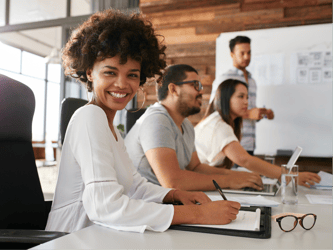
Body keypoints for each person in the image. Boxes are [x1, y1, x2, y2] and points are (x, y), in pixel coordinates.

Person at [45, 10, 240, 234]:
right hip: (73, 238)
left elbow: (134, 185)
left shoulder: (111, 127)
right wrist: (199, 214)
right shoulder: (90, 117)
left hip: (101, 235)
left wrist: (174, 194)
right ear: (90, 72)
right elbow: (105, 206)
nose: (122, 84)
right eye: (110, 72)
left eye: (132, 75)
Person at [125, 64, 263, 191]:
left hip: (164, 202)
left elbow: (195, 168)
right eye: (195, 85)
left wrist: (236, 176)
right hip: (143, 206)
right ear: (173, 89)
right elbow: (173, 182)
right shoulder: (156, 121)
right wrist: (229, 180)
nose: (201, 92)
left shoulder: (186, 125)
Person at [195, 79, 321, 187]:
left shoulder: (218, 120)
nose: (246, 102)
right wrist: (289, 176)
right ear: (226, 98)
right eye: (240, 96)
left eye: (247, 97)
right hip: (198, 182)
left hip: (204, 180)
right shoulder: (219, 126)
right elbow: (245, 160)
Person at [209, 35, 274, 156]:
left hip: (250, 144)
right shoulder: (225, 79)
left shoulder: (252, 81)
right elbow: (214, 110)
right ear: (232, 54)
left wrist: (264, 114)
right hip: (230, 143)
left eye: (249, 53)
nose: (247, 57)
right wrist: (248, 113)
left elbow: (249, 112)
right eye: (242, 53)